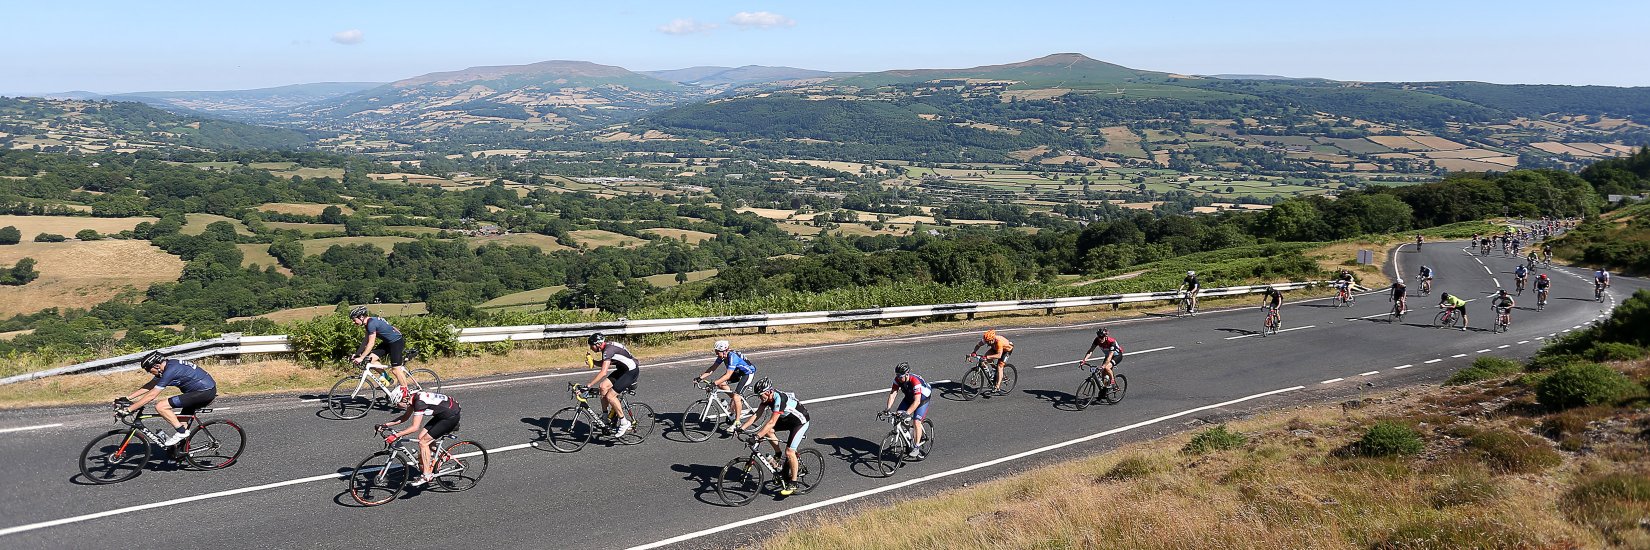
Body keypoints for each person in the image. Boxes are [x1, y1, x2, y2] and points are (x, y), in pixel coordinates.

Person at [118, 352, 216, 446]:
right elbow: (151, 385)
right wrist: (127, 398)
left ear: (156, 366)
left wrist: (129, 409)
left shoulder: (170, 371)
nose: (150, 373)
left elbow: (152, 395)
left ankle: (181, 433)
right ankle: (183, 452)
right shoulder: (167, 366)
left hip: (204, 392)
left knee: (161, 406)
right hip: (198, 392)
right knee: (182, 424)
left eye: (149, 370)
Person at [738, 378, 810, 496]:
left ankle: (794, 482)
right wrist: (741, 427)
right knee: (768, 432)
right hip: (787, 419)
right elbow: (757, 415)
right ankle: (778, 454)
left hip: (800, 422)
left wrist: (756, 436)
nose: (760, 398)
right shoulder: (767, 398)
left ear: (769, 392)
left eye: (761, 395)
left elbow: (771, 422)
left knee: (790, 452)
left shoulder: (779, 399)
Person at [382, 387, 461, 487]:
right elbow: (405, 418)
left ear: (404, 399)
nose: (397, 406)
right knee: (421, 437)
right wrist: (385, 425)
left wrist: (396, 435)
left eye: (397, 403)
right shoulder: (413, 398)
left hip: (451, 416)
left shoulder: (419, 403)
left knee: (423, 442)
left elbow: (415, 427)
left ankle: (427, 475)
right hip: (444, 412)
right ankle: (443, 456)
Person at [584, 333, 639, 437]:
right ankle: (606, 418)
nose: (591, 348)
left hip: (631, 372)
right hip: (623, 370)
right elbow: (606, 362)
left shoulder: (608, 350)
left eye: (592, 346)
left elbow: (603, 372)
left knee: (610, 396)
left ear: (598, 344)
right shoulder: (607, 348)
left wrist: (589, 385)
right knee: (602, 387)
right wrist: (594, 362)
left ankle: (624, 422)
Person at [696, 340, 756, 434]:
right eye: (716, 352)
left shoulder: (732, 357)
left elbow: (728, 375)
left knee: (736, 396)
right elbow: (713, 368)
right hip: (737, 372)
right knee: (721, 384)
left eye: (717, 352)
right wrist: (700, 378)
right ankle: (734, 404)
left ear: (725, 350)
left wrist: (713, 383)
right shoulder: (722, 356)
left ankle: (737, 422)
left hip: (747, 374)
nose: (716, 354)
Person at [350, 306, 409, 390]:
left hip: (396, 342)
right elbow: (365, 341)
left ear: (361, 317)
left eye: (354, 319)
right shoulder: (368, 323)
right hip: (388, 342)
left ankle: (405, 393)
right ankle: (387, 379)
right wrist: (357, 355)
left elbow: (371, 343)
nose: (353, 322)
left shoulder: (371, 324)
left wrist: (361, 357)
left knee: (395, 370)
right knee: (370, 360)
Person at [883, 363, 931, 459]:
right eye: (897, 375)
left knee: (916, 421)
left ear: (907, 374)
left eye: (900, 376)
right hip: (909, 397)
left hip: (922, 399)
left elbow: (917, 401)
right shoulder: (897, 379)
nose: (899, 378)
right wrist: (887, 408)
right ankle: (910, 434)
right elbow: (893, 393)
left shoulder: (915, 382)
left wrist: (907, 413)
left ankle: (916, 447)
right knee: (897, 416)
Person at [969, 329, 1014, 395]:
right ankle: (994, 368)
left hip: (1006, 351)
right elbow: (978, 345)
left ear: (992, 339)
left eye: (989, 342)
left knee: (1000, 366)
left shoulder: (999, 342)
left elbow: (999, 356)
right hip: (995, 349)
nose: (987, 343)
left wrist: (987, 357)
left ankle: (997, 386)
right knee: (984, 360)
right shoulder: (987, 339)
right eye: (986, 341)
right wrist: (974, 352)